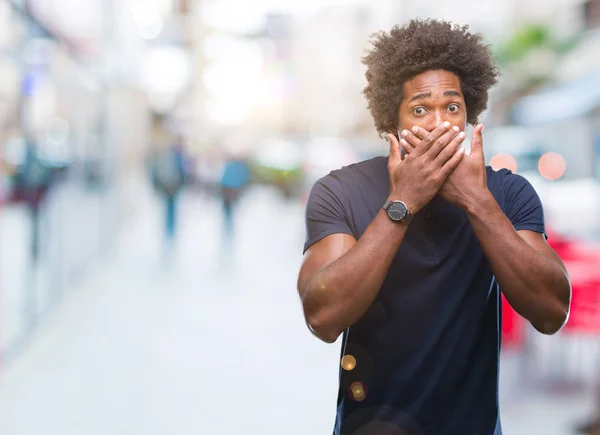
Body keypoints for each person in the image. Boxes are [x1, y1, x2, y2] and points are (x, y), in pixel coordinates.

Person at [297, 19, 572, 435]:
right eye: (421, 108)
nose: (439, 122)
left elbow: (551, 312)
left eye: (452, 107)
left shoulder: (506, 193)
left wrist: (477, 202)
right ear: (394, 119)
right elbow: (323, 317)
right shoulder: (341, 190)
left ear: (469, 116)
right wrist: (402, 203)